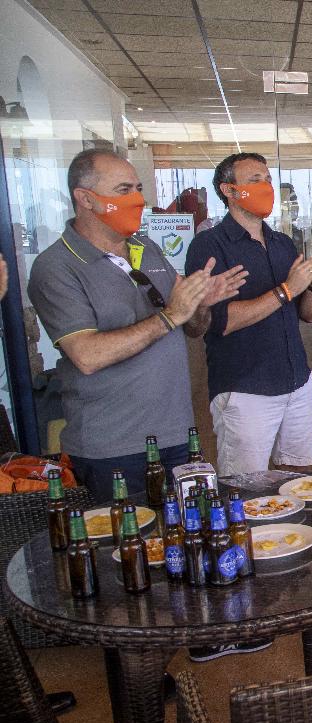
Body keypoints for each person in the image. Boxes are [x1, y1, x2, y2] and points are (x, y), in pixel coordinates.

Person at [27, 149, 244, 502]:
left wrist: (200, 305)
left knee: (184, 542)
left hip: (177, 436)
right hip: (113, 449)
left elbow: (192, 327)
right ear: (85, 199)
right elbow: (87, 355)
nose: (139, 200)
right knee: (129, 551)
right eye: (124, 189)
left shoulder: (146, 248)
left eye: (139, 188)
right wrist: (170, 315)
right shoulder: (57, 267)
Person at [184, 152, 312, 477]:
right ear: (228, 190)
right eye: (255, 181)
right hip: (245, 389)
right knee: (246, 488)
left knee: (303, 478)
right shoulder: (209, 246)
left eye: (268, 180)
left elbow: (310, 316)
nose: (266, 187)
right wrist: (286, 290)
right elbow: (221, 321)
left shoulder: (281, 242)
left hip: (297, 381)